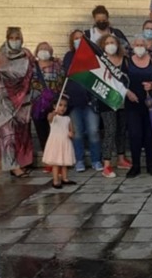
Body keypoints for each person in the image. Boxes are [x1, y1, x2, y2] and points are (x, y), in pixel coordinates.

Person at [0, 26, 34, 177]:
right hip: (3, 104)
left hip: (23, 102)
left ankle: (21, 162)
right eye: (11, 38)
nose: (15, 41)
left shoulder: (27, 54)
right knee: (8, 136)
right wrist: (6, 99)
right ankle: (13, 166)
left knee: (21, 133)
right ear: (6, 39)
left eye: (17, 38)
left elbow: (32, 73)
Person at [63, 29, 104, 173]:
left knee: (93, 131)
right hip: (74, 102)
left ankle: (96, 160)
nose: (78, 40)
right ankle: (79, 160)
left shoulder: (93, 56)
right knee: (78, 132)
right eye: (76, 38)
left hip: (90, 101)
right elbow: (68, 74)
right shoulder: (69, 56)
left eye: (81, 38)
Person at [124, 35, 152, 178]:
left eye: (142, 44)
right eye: (137, 44)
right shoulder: (126, 62)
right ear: (133, 47)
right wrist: (127, 92)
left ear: (147, 47)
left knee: (149, 134)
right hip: (132, 104)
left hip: (150, 104)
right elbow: (119, 81)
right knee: (135, 135)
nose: (139, 47)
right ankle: (135, 166)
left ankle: (151, 165)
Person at [98, 34, 131, 178]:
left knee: (121, 129)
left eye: (113, 42)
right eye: (107, 42)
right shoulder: (100, 61)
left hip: (123, 100)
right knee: (110, 130)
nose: (110, 45)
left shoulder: (126, 61)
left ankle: (121, 158)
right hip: (107, 100)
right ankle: (106, 164)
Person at [32, 41, 64, 171]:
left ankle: (58, 160)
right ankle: (49, 160)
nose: (44, 50)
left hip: (53, 103)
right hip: (37, 104)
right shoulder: (31, 66)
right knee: (42, 133)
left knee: (55, 133)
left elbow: (62, 82)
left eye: (46, 48)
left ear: (51, 52)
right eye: (41, 48)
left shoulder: (57, 65)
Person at [42, 96, 77, 189]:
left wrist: (71, 134)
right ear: (54, 106)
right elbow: (49, 118)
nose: (63, 108)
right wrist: (54, 113)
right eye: (60, 105)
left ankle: (65, 178)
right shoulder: (53, 117)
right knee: (56, 163)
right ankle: (55, 180)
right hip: (56, 143)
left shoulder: (67, 119)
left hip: (65, 142)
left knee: (64, 162)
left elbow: (72, 131)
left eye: (65, 106)